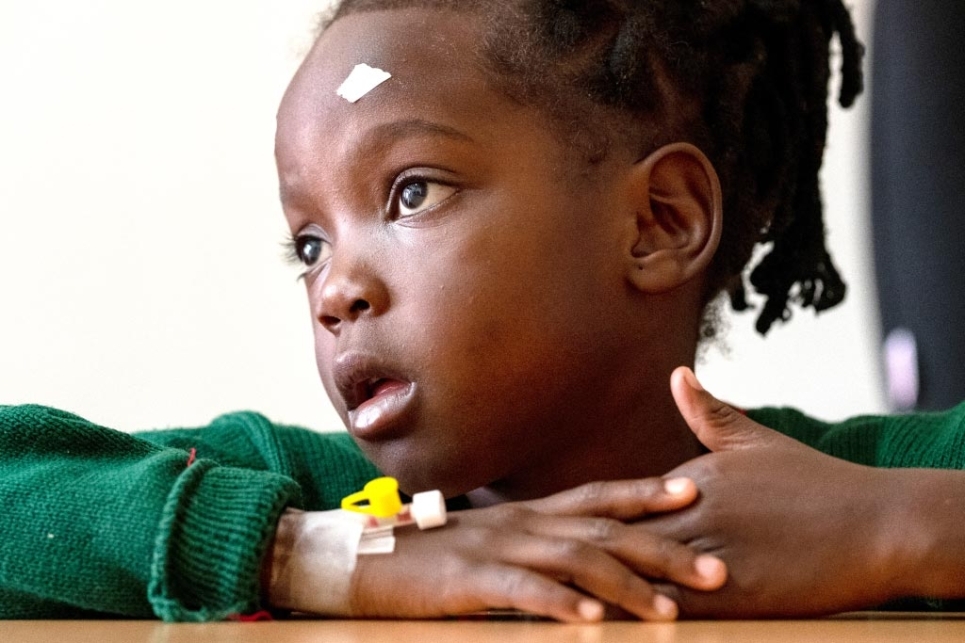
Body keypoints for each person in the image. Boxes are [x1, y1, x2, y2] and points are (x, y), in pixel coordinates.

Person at [3, 0, 965, 623]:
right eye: (308, 243)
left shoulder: (874, 482)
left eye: (410, 192)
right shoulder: (313, 498)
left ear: (656, 222)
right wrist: (311, 558)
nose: (336, 289)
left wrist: (894, 527)